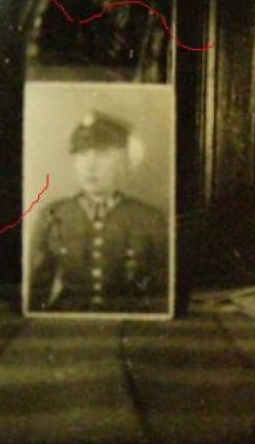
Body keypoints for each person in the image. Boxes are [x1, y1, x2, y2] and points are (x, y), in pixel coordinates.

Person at [28, 110, 169, 313]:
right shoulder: (53, 215)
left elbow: (161, 294)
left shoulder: (149, 219)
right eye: (82, 155)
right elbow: (35, 296)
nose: (90, 166)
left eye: (103, 155)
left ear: (123, 164)